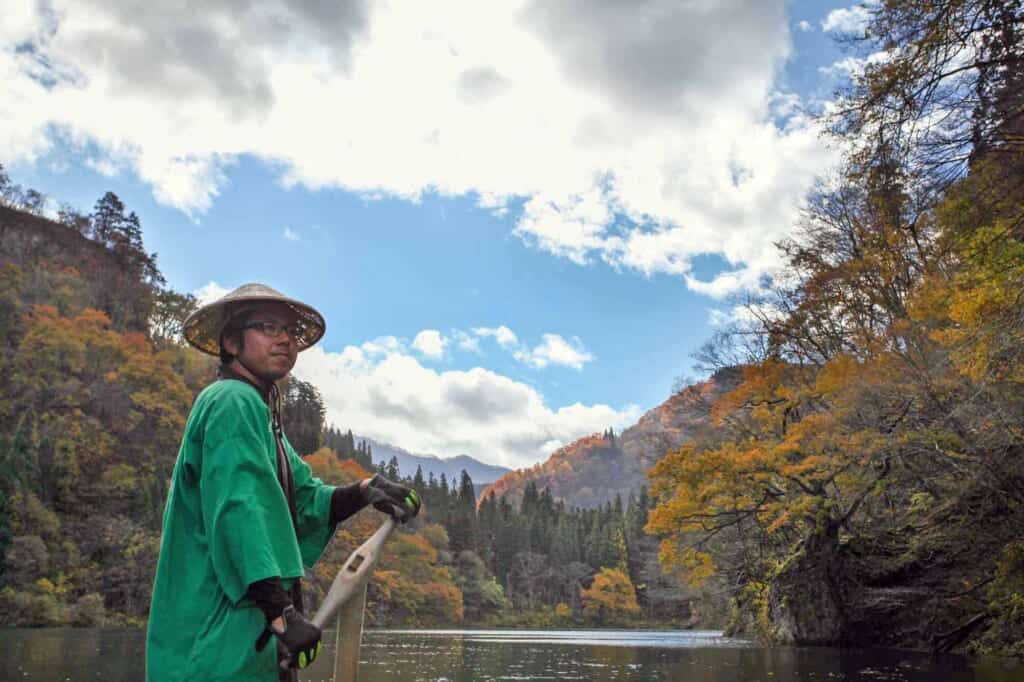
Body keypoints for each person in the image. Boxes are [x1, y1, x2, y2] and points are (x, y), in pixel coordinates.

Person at [145, 283, 420, 682]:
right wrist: (280, 613)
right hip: (215, 643)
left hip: (245, 639)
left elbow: (306, 501)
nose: (285, 339)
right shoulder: (231, 402)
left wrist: (365, 490)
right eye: (267, 327)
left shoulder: (260, 415)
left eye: (289, 331)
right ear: (231, 342)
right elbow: (237, 510)